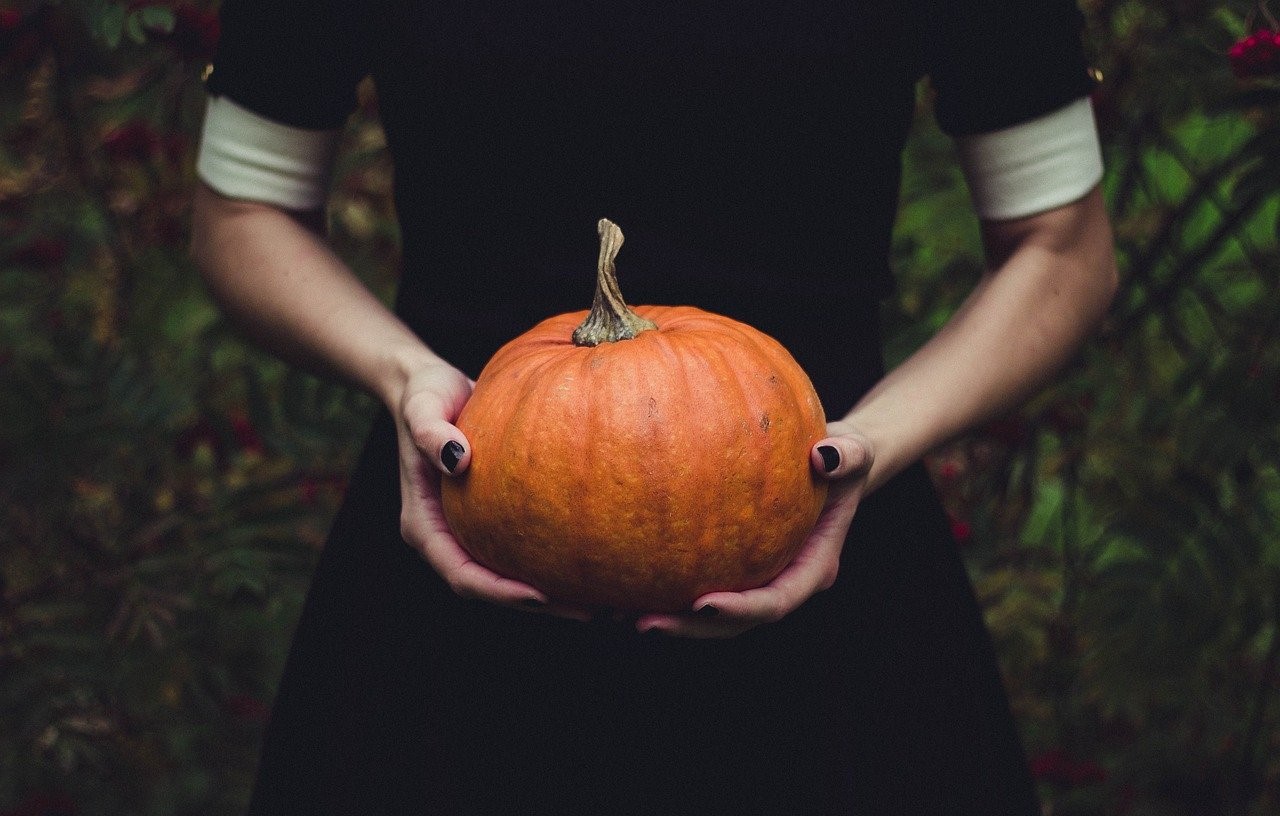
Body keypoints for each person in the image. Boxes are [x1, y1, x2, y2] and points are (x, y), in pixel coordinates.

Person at [190, 0, 1118, 813]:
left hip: (822, 538)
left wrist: (870, 442)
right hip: (460, 532)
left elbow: (1062, 246)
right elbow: (244, 213)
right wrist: (402, 377)